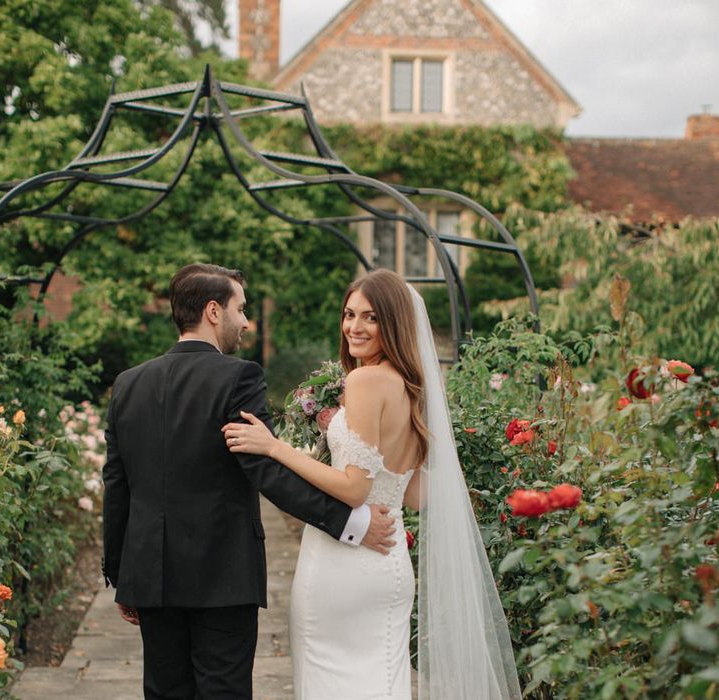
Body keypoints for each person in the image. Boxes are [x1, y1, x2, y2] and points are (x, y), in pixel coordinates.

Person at [102, 263, 396, 700]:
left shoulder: (128, 384)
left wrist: (120, 572)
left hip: (150, 575)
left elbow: (117, 484)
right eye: (240, 309)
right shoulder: (238, 377)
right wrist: (350, 523)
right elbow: (268, 474)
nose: (245, 322)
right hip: (222, 575)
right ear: (214, 311)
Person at [223, 268, 522, 699]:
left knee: (329, 683)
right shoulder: (409, 387)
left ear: (395, 323)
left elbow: (353, 489)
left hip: (342, 563)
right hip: (390, 564)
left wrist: (275, 448)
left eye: (371, 318)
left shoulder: (365, 380)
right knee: (383, 682)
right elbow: (414, 494)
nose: (354, 327)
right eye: (349, 314)